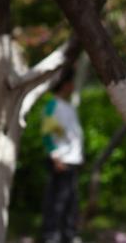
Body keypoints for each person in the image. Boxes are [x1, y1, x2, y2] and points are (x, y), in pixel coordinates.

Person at [40, 68, 84, 243]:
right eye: (70, 83)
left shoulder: (69, 106)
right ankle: (52, 236)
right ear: (64, 85)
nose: (73, 86)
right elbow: (46, 134)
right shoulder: (53, 105)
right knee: (57, 201)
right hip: (61, 161)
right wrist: (55, 156)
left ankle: (68, 234)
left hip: (72, 160)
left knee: (70, 202)